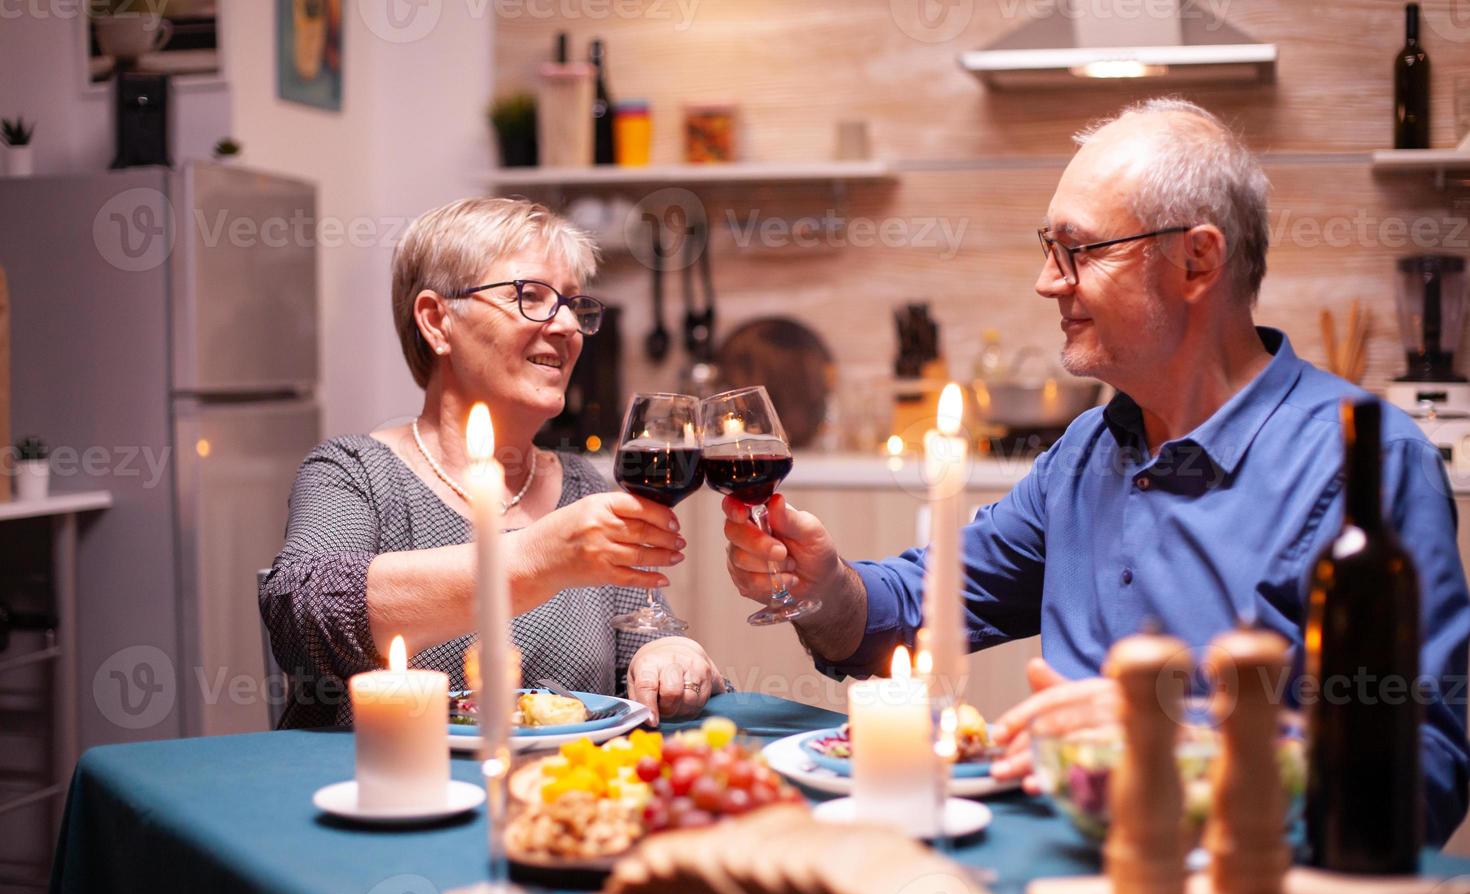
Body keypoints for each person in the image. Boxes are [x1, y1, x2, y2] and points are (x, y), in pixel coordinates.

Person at [721, 98, 1470, 844]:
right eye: (1049, 247)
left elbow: (1424, 776)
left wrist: (1181, 739)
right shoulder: (1089, 450)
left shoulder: (1366, 466)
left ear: (1196, 260)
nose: (1049, 282)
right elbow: (925, 602)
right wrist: (822, 588)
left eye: (1078, 250)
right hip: (1054, 852)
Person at [260, 197, 723, 728]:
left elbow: (647, 640)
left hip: (550, 799)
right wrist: (532, 559)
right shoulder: (354, 471)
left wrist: (670, 658)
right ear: (436, 321)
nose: (568, 326)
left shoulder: (581, 487)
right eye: (530, 296)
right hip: (391, 800)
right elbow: (302, 617)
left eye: (573, 304)